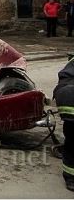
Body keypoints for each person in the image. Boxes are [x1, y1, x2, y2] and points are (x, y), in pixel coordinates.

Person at [53, 57, 74, 192]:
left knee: (72, 140)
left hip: (65, 96)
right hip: (70, 100)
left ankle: (71, 177)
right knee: (73, 142)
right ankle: (71, 177)